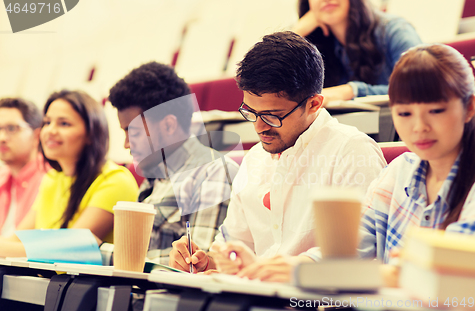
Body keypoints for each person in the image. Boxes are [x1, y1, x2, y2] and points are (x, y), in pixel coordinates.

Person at [169, 31, 386, 275]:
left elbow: (361, 248)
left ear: (314, 104)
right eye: (250, 112)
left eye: (272, 116)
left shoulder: (352, 152)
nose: (259, 127)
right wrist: (207, 262)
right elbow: (234, 249)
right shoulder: (255, 159)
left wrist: (294, 270)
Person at [358, 44, 475, 276]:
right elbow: (350, 247)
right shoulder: (398, 170)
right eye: (404, 113)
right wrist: (302, 266)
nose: (419, 127)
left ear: (469, 107)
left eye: (436, 111)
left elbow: (452, 274)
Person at [105, 62, 239, 265]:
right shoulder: (155, 175)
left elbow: (196, 264)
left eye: (133, 132)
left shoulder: (213, 172)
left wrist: (110, 256)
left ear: (169, 125)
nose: (126, 144)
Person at [0, 90, 139, 257]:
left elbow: (69, 250)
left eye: (64, 124)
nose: (50, 130)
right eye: (47, 122)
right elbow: (17, 240)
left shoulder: (115, 180)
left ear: (90, 133)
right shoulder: (51, 179)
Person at [293, 0, 422, 102]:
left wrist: (351, 91)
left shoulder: (395, 31)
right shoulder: (318, 44)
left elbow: (419, 87)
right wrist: (295, 33)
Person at [0, 98, 46, 237]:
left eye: (12, 128)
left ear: (36, 135)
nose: (2, 137)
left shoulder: (51, 178)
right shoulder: (3, 176)